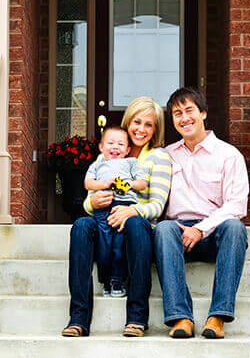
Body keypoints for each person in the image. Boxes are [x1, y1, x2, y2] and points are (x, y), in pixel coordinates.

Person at [61, 97, 171, 338]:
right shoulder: (109, 155)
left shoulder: (159, 157)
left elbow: (158, 206)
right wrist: (91, 203)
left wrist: (132, 211)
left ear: (155, 130)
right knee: (80, 225)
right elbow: (90, 196)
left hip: (136, 227)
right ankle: (78, 318)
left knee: (134, 223)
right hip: (104, 220)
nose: (141, 129)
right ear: (128, 122)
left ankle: (136, 318)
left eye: (149, 125)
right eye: (137, 122)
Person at [153, 87, 249, 339]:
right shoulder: (165, 156)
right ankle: (181, 318)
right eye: (177, 114)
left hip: (214, 231)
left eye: (189, 111)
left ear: (203, 113)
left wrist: (201, 228)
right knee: (163, 229)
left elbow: (237, 205)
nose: (184, 118)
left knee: (235, 227)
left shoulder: (229, 155)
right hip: (177, 233)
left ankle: (217, 317)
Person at [84, 126, 148, 297]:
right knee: (104, 246)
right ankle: (106, 280)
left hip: (124, 207)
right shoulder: (97, 164)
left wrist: (129, 185)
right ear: (101, 147)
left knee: (119, 246)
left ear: (127, 150)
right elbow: (88, 184)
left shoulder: (131, 162)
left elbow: (142, 183)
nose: (115, 147)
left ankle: (118, 280)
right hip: (103, 209)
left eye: (120, 144)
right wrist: (105, 185)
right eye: (110, 143)